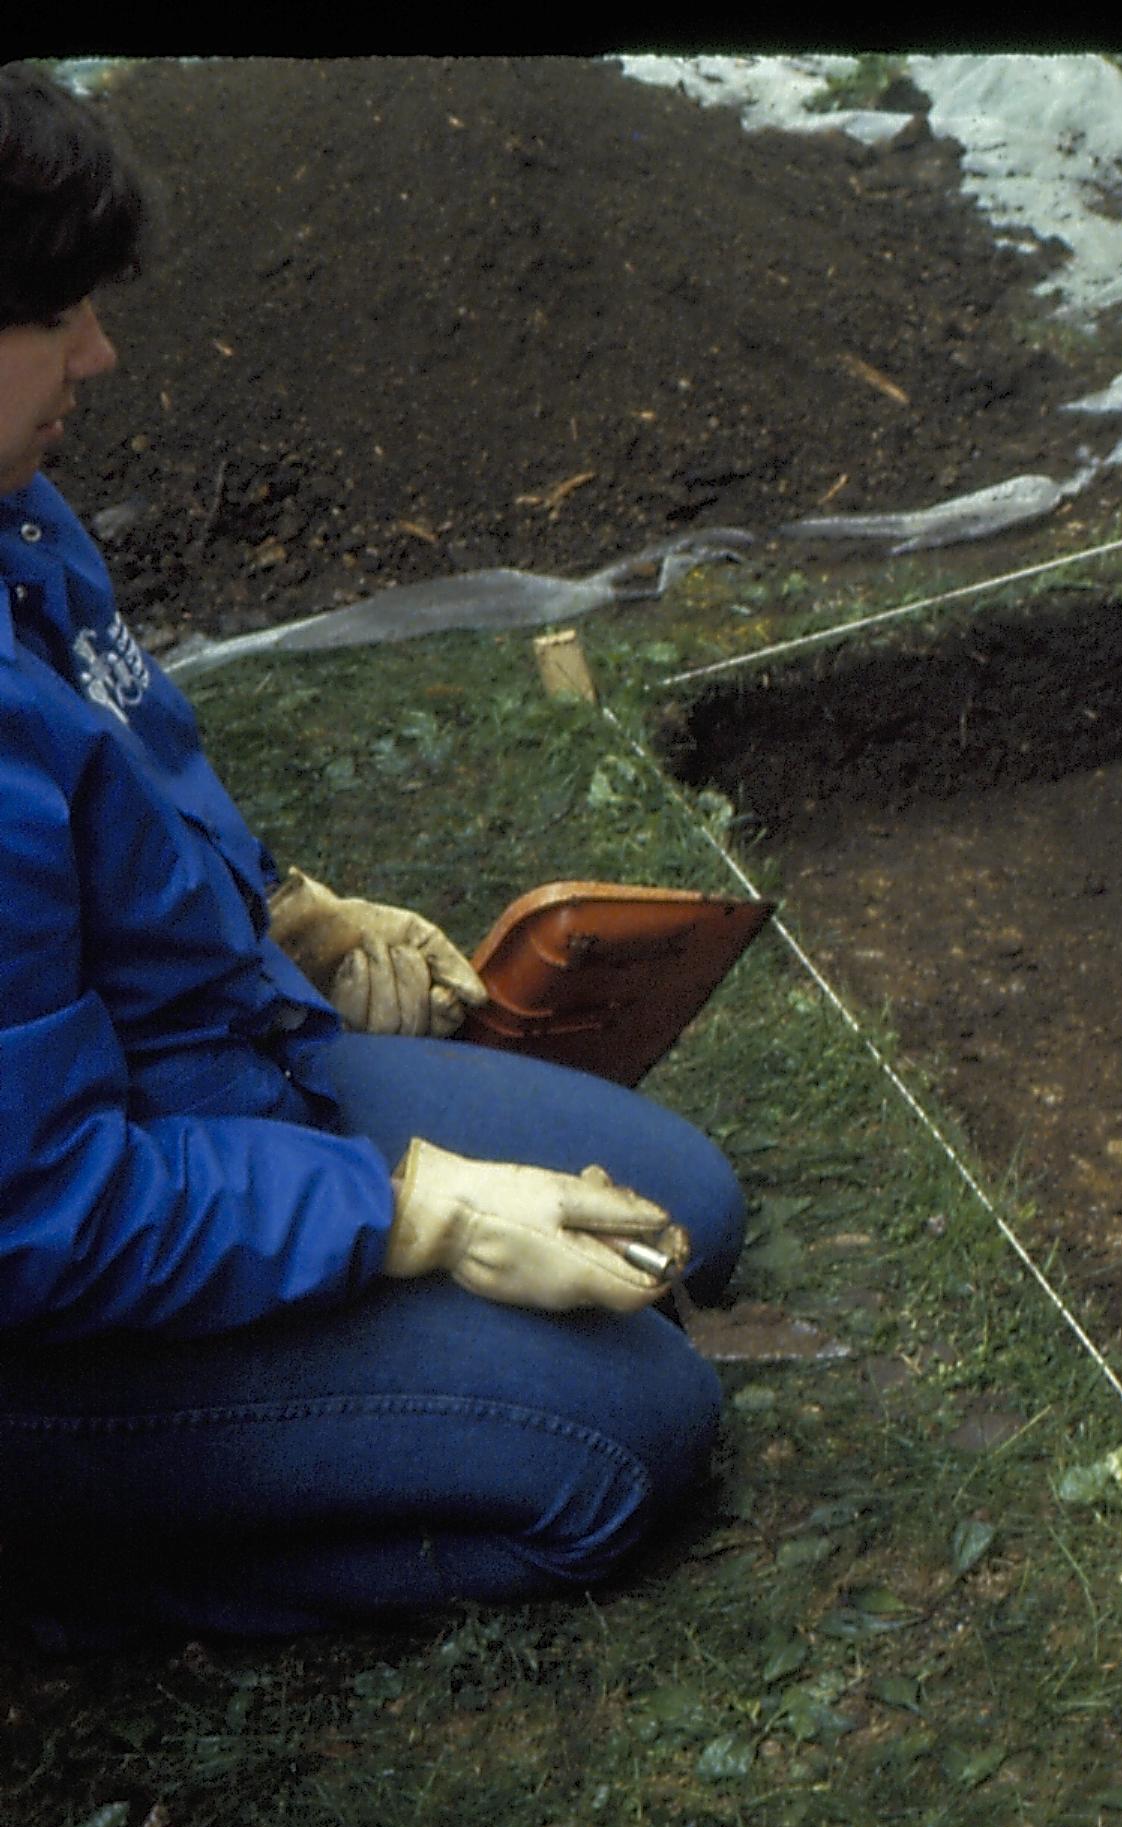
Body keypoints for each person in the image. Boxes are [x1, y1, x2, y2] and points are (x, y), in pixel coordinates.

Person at [2, 62, 743, 1642]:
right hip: (51, 1304)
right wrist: (418, 1214)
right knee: (622, 1442)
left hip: (203, 1090)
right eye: (56, 311)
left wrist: (295, 920)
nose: (100, 349)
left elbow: (137, 797)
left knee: (683, 1210)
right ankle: (71, 1571)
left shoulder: (20, 520)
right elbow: (41, 1215)